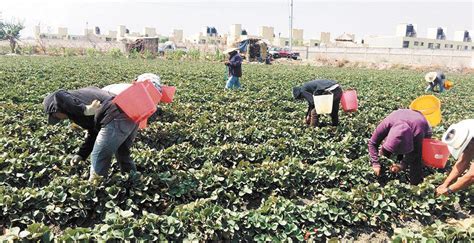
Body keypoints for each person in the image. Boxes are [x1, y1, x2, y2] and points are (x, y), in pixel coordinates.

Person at [43, 87, 139, 183]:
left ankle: (96, 187)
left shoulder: (67, 101)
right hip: (132, 112)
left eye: (55, 116)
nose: (59, 119)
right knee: (122, 152)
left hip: (116, 115)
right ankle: (133, 182)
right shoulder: (76, 107)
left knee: (99, 155)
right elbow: (94, 132)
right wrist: (81, 155)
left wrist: (85, 109)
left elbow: (58, 95)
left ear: (56, 108)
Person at [368, 109, 432, 185]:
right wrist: (375, 163)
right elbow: (372, 143)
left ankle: (414, 185)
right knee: (384, 154)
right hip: (399, 116)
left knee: (417, 161)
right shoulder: (387, 123)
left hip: (420, 123)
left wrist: (402, 165)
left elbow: (415, 153)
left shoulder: (418, 132)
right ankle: (381, 177)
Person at [436, 119, 474, 196]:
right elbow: (463, 161)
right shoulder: (469, 131)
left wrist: (449, 190)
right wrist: (445, 184)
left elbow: (472, 175)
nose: (465, 150)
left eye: (465, 147)